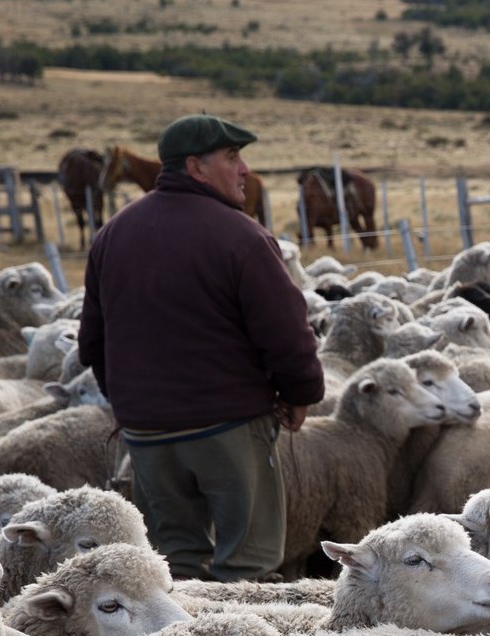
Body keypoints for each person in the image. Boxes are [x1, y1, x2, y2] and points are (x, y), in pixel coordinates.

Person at [79, 114, 324, 582]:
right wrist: (300, 393)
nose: (245, 169)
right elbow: (286, 330)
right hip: (226, 426)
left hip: (148, 435)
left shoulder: (113, 234)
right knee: (246, 562)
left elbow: (92, 340)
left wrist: (132, 403)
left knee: (174, 563)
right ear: (195, 166)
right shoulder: (242, 237)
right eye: (231, 157)